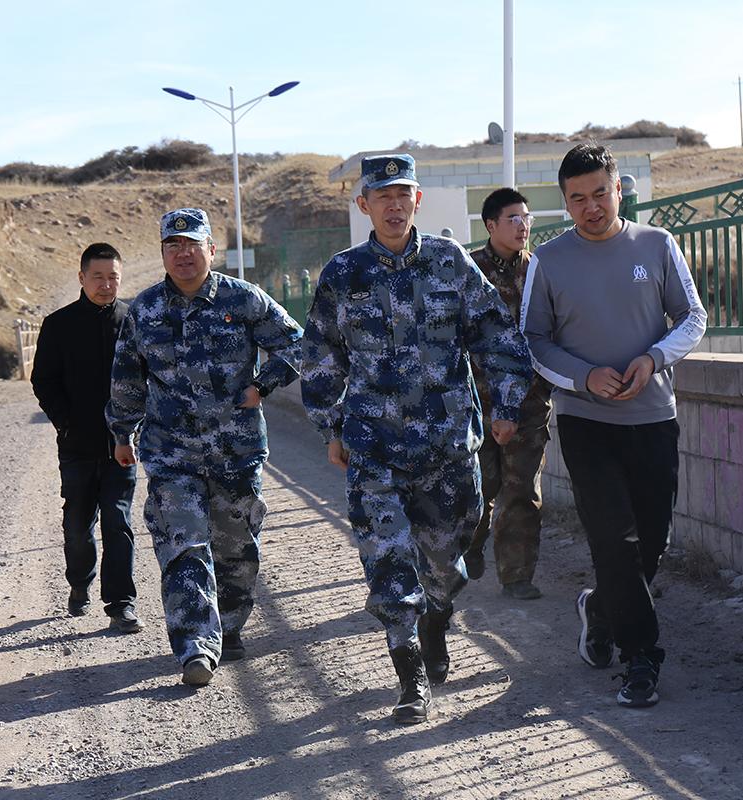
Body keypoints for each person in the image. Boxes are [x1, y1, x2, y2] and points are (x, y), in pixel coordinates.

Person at [301, 154, 532, 724]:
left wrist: (505, 406)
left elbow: (496, 334)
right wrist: (332, 426)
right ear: (364, 206)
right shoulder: (343, 273)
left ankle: (435, 615)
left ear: (418, 200)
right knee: (387, 560)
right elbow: (322, 355)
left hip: (448, 446)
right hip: (374, 446)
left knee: (446, 562)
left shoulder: (451, 262)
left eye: (404, 193)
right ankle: (409, 674)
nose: (395, 204)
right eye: (382, 196)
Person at [520, 143, 706, 708]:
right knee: (613, 542)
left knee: (651, 543)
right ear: (565, 202)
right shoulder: (548, 262)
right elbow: (533, 340)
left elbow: (693, 316)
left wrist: (654, 359)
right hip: (586, 422)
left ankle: (600, 608)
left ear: (618, 188)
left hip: (653, 417)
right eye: (577, 199)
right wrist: (583, 378)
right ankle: (641, 658)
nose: (591, 207)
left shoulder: (657, 244)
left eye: (600, 193)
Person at [106, 208, 302, 687]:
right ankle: (196, 642)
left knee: (236, 547)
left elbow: (298, 343)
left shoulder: (244, 299)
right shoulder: (146, 309)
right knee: (183, 543)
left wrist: (263, 384)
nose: (183, 254)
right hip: (171, 453)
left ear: (211, 250)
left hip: (235, 450)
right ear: (163, 254)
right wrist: (121, 432)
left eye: (192, 244)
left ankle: (230, 626)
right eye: (173, 246)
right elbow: (127, 376)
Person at [31, 242, 141, 632]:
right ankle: (80, 584)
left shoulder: (134, 322)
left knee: (118, 520)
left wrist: (132, 427)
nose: (106, 284)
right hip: (76, 445)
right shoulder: (59, 325)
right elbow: (43, 380)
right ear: (81, 278)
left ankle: (121, 603)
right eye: (98, 276)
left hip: (121, 446)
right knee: (78, 525)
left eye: (113, 277)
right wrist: (65, 422)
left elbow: (147, 380)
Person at [463, 188, 553, 601]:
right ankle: (472, 542)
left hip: (529, 403)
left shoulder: (540, 272)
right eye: (513, 218)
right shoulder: (467, 272)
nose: (523, 226)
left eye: (527, 217)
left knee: (521, 488)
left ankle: (516, 576)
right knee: (480, 486)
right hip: (476, 403)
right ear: (491, 225)